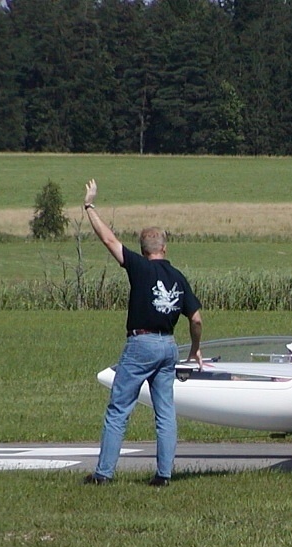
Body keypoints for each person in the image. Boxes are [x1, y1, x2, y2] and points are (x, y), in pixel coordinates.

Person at [82, 179, 203, 487]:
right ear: (165, 247)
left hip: (141, 343)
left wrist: (89, 207)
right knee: (165, 414)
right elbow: (197, 319)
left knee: (119, 409)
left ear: (143, 249)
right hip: (168, 346)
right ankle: (163, 475)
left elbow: (109, 240)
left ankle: (104, 474)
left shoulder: (139, 267)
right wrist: (193, 350)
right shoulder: (178, 277)